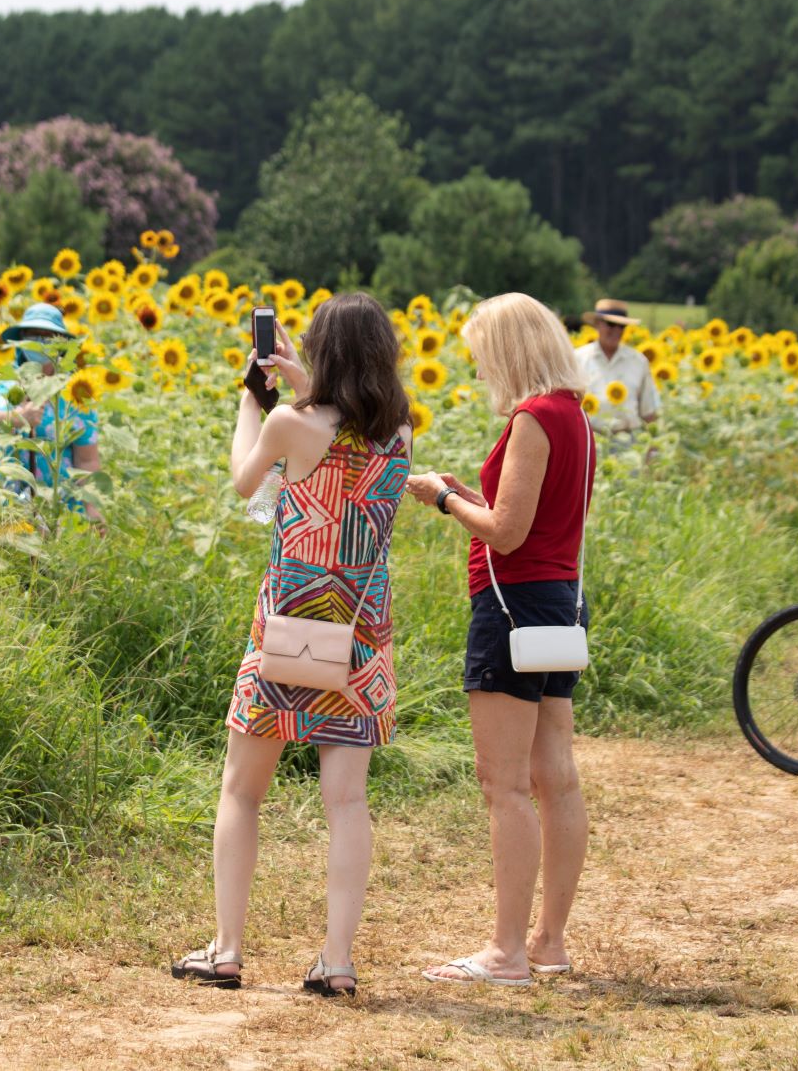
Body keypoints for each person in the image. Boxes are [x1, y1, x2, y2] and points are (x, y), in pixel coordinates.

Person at [171, 293, 411, 997]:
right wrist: (306, 391)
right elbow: (345, 435)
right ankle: (336, 961)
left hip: (287, 627)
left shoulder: (288, 424)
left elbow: (245, 476)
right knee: (346, 802)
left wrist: (254, 398)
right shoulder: (397, 433)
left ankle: (226, 950)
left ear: (320, 351)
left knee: (242, 792)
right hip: (359, 635)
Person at [404, 293, 595, 986]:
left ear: (508, 351)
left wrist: (444, 499)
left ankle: (505, 951)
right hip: (559, 602)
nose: (481, 368)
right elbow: (539, 521)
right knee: (556, 777)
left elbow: (507, 533)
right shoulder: (573, 415)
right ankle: (547, 942)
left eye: (485, 354)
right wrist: (467, 493)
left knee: (504, 784)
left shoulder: (530, 418)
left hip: (510, 607)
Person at [0, 303, 103, 523]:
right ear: (21, 340)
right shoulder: (3, 389)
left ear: (61, 344)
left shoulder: (75, 396)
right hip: (5, 508)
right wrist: (15, 417)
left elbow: (87, 461)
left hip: (58, 509)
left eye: (47, 336)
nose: (39, 343)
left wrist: (92, 508)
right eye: (32, 335)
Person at [575, 299, 658, 437]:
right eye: (611, 324)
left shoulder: (638, 361)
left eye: (621, 326)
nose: (617, 330)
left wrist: (652, 447)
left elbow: (648, 411)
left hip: (627, 441)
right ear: (597, 324)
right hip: (588, 439)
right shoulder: (578, 359)